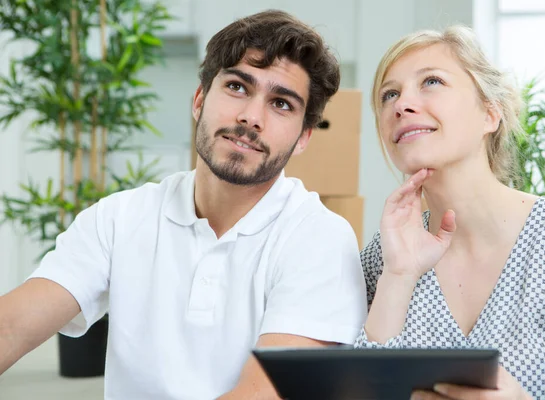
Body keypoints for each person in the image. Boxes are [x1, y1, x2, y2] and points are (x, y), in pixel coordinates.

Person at [0, 10, 367, 399]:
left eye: (281, 104)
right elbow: (12, 326)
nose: (251, 117)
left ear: (304, 137)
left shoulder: (319, 238)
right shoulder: (119, 218)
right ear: (199, 100)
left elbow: (264, 394)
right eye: (238, 87)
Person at [355, 25, 545, 400]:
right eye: (389, 94)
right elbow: (361, 392)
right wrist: (398, 276)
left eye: (431, 81)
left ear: (490, 114)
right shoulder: (381, 258)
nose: (401, 104)